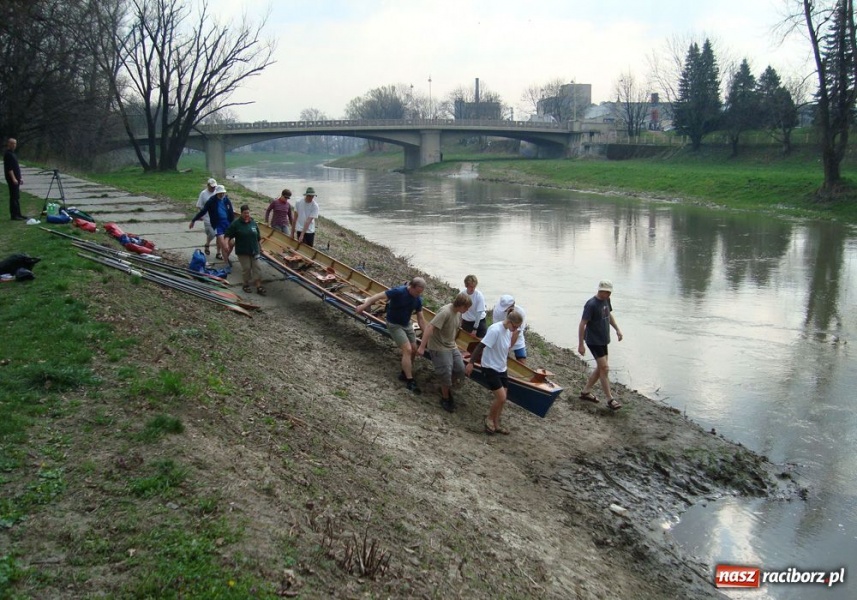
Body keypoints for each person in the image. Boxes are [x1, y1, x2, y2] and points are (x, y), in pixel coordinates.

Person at [356, 277, 427, 393]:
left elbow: (420, 318)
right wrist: (364, 306)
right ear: (411, 287)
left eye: (421, 293)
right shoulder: (399, 291)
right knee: (407, 350)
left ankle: (405, 372)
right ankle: (410, 380)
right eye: (417, 292)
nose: (418, 295)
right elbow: (378, 296)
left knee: (414, 349)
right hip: (394, 324)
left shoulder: (417, 299)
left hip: (407, 324)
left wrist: (426, 336)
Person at [465, 309, 524, 435]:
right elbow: (480, 346)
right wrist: (470, 363)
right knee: (501, 397)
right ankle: (489, 419)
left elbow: (505, 348)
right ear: (509, 321)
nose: (515, 330)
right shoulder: (495, 330)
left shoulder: (508, 331)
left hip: (502, 368)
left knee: (503, 398)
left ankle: (497, 423)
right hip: (490, 367)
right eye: (515, 327)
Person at [417, 292, 472, 412]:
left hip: (451, 345)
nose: (467, 310)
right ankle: (445, 397)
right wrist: (422, 346)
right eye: (466, 307)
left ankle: (446, 386)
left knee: (460, 369)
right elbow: (430, 328)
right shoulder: (445, 312)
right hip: (439, 346)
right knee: (446, 371)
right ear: (461, 305)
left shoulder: (458, 314)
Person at [577, 280, 623, 410]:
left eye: (609, 292)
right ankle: (610, 399)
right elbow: (582, 324)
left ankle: (585, 392)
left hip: (603, 339)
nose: (607, 295)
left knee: (601, 368)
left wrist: (617, 329)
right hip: (593, 340)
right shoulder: (591, 304)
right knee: (605, 368)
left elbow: (608, 315)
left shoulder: (606, 301)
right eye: (605, 292)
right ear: (599, 290)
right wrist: (581, 344)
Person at [224, 204, 265, 295]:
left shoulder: (253, 223)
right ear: (241, 213)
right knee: (246, 268)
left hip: (254, 250)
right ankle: (245, 284)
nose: (247, 215)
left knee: (257, 268)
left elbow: (258, 237)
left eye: (248, 213)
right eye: (245, 213)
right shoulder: (236, 224)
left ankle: (258, 286)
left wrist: (260, 248)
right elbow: (228, 234)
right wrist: (226, 243)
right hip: (242, 251)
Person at [189, 184, 235, 266]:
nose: (222, 195)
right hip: (218, 224)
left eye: (223, 193)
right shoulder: (211, 201)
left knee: (231, 243)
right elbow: (203, 211)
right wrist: (194, 220)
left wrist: (233, 223)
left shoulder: (226, 200)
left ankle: (225, 257)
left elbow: (231, 212)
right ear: (217, 193)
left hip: (227, 224)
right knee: (224, 245)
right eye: (220, 193)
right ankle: (226, 263)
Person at [492, 294, 527, 364]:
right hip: (503, 335)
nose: (505, 310)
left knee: (521, 359)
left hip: (517, 338)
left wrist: (508, 347)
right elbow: (497, 328)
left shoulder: (521, 312)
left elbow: (516, 332)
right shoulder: (497, 310)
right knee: (501, 358)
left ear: (513, 305)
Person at [196, 178, 218, 256]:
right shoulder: (203, 193)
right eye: (211, 187)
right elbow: (199, 205)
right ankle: (207, 243)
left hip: (216, 216)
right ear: (208, 185)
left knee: (216, 233)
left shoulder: (217, 193)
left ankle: (209, 245)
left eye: (214, 187)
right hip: (207, 217)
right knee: (210, 233)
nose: (213, 188)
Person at [4, 138, 24, 221]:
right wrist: (14, 178)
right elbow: (10, 168)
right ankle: (14, 215)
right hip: (12, 179)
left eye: (15, 144)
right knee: (13, 197)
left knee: (17, 197)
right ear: (8, 144)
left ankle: (19, 214)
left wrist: (20, 178)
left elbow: (16, 167)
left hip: (17, 178)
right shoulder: (8, 154)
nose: (14, 145)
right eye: (12, 143)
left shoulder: (13, 154)